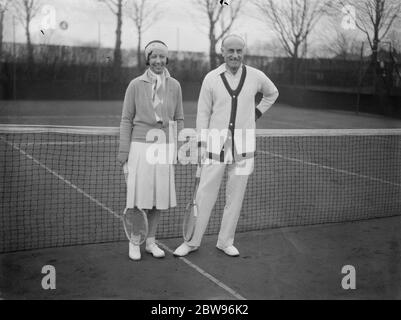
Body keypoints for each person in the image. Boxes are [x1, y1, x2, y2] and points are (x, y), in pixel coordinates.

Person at [174, 34, 279, 257]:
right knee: (204, 195)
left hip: (243, 149)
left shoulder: (256, 76)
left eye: (239, 51)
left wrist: (256, 112)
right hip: (214, 147)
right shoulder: (211, 78)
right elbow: (202, 114)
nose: (235, 55)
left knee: (236, 197)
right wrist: (201, 145)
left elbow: (272, 93)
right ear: (222, 52)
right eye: (230, 51)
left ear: (244, 52)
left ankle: (225, 241)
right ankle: (192, 242)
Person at [118, 40, 184, 261]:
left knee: (159, 198)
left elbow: (179, 118)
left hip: (164, 148)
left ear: (166, 59)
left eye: (162, 57)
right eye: (154, 56)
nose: (158, 61)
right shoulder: (135, 84)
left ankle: (151, 242)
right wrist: (123, 152)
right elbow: (126, 119)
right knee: (138, 198)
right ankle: (135, 241)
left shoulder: (175, 85)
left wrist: (178, 148)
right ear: (148, 59)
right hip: (140, 146)